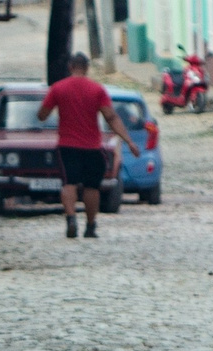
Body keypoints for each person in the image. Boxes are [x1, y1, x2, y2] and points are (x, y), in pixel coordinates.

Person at [39, 51, 137, 238]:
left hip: (67, 146)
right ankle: (90, 226)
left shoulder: (58, 88)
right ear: (87, 68)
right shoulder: (97, 90)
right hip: (92, 146)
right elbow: (111, 117)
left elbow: (42, 114)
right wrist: (129, 141)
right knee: (92, 187)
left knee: (69, 183)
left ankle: (71, 218)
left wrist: (48, 111)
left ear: (70, 67)